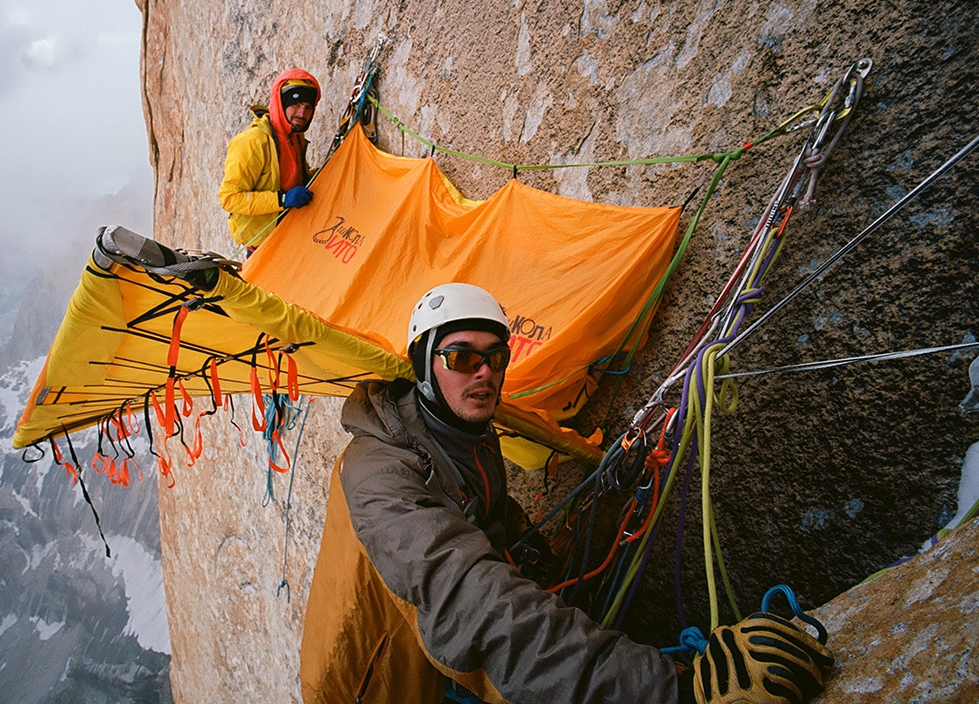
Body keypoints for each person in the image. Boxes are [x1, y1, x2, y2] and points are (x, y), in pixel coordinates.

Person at [300, 283, 834, 704]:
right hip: (368, 682)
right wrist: (671, 692)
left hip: (428, 655)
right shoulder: (377, 477)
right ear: (423, 365)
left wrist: (529, 551)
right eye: (462, 357)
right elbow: (470, 601)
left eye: (496, 358)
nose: (484, 373)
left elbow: (478, 505)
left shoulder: (461, 429)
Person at [218, 68, 320, 249]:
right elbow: (230, 198)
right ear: (281, 103)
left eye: (308, 107)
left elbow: (294, 178)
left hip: (290, 235)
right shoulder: (252, 142)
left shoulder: (295, 138)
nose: (302, 114)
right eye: (296, 105)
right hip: (262, 247)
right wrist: (282, 199)